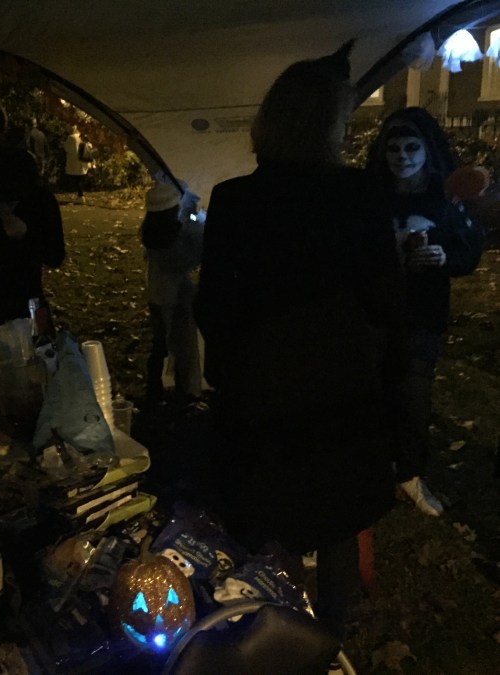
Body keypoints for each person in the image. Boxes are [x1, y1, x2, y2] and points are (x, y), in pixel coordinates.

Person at [194, 41, 406, 639]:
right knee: (337, 519)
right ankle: (327, 638)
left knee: (268, 518)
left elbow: (213, 305)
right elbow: (385, 302)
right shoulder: (359, 196)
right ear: (327, 125)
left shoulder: (235, 199)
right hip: (338, 387)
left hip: (260, 387)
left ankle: (267, 631)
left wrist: (230, 367)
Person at [365, 107, 486, 516]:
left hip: (422, 315)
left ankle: (411, 473)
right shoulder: (370, 196)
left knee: (414, 394)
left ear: (426, 151)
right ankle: (379, 465)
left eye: (411, 147)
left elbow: (469, 252)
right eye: (394, 148)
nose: (402, 156)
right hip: (375, 312)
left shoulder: (444, 197)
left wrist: (444, 256)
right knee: (377, 393)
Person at [0, 146, 66, 337]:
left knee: (33, 349)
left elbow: (55, 255)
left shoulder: (41, 202)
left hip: (24, 296)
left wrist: (26, 235)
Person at [141, 180, 205, 404]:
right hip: (175, 298)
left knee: (160, 345)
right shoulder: (171, 240)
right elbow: (190, 256)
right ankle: (182, 391)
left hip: (157, 296)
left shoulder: (153, 232)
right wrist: (197, 223)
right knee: (181, 345)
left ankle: (154, 388)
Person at [63, 125, 91, 204]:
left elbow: (67, 148)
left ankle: (80, 196)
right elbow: (89, 145)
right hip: (83, 161)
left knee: (76, 179)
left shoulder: (71, 138)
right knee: (81, 178)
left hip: (75, 162)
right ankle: (81, 195)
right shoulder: (82, 136)